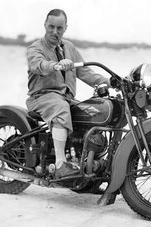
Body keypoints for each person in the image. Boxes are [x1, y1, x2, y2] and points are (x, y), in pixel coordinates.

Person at [26, 9, 110, 179]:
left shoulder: (69, 47)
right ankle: (60, 164)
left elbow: (85, 72)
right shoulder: (36, 47)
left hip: (65, 97)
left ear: (65, 28)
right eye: (51, 27)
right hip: (41, 97)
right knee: (62, 108)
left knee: (91, 111)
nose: (54, 32)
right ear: (45, 25)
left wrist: (110, 81)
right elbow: (38, 64)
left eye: (59, 28)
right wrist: (55, 65)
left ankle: (85, 161)